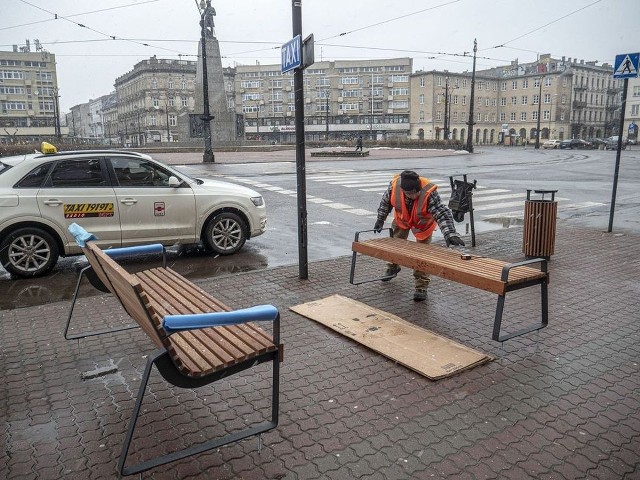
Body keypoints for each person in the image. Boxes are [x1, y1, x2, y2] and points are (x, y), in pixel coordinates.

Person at [373, 170, 465, 301]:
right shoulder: (395, 186)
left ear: (419, 188)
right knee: (395, 245)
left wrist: (450, 233)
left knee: (422, 255)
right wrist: (380, 220)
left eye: (415, 193)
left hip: (423, 225)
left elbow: (441, 212)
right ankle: (393, 266)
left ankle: (421, 286)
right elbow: (385, 202)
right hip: (402, 220)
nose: (413, 196)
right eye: (409, 194)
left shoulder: (428, 191)